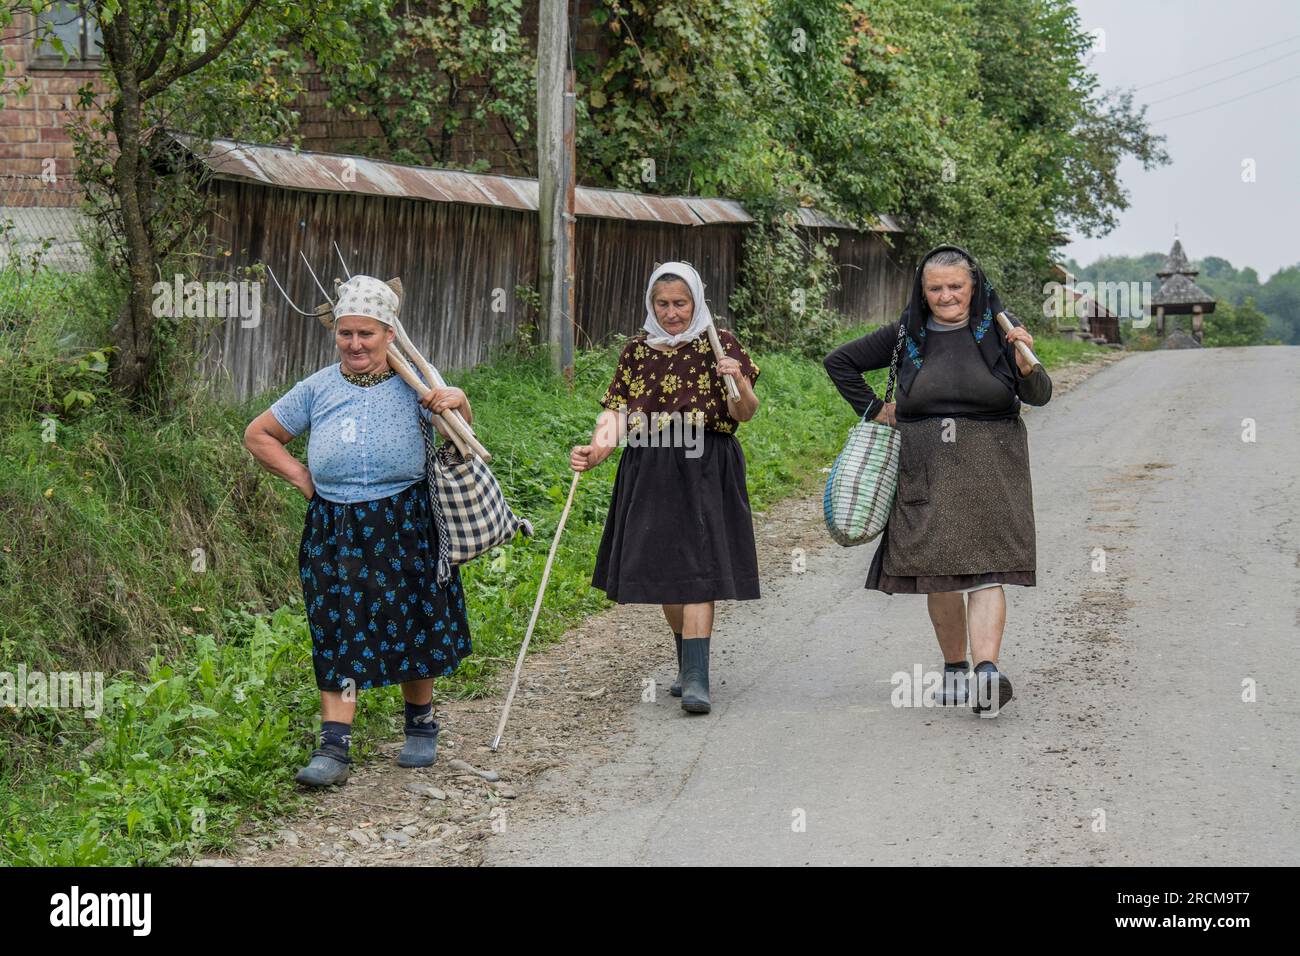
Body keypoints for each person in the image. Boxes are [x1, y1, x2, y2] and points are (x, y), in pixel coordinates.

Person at [243, 275, 473, 785]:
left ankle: (420, 724)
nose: (354, 344)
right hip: (336, 524)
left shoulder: (417, 380)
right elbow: (259, 434)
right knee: (339, 625)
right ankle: (334, 747)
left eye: (366, 334)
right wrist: (303, 477)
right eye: (346, 334)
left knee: (412, 615)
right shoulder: (318, 388)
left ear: (389, 334)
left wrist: (456, 401)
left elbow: (461, 443)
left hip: (405, 518)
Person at [823, 246, 1052, 714]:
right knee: (940, 571)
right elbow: (839, 362)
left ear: (974, 287)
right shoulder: (907, 333)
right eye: (936, 288)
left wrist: (1027, 362)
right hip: (924, 463)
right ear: (922, 292)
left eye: (956, 286)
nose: (946, 296)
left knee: (990, 570)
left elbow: (1040, 395)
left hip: (994, 466)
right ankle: (954, 669)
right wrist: (874, 408)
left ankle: (986, 671)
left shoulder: (1001, 331)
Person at [570, 262, 761, 714]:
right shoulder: (636, 350)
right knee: (668, 573)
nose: (673, 313)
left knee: (700, 570)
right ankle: (684, 659)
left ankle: (697, 676)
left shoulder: (721, 344)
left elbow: (745, 414)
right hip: (650, 465)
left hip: (706, 463)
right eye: (663, 304)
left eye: (681, 303)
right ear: (651, 305)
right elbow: (615, 413)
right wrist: (596, 451)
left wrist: (736, 378)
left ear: (696, 302)